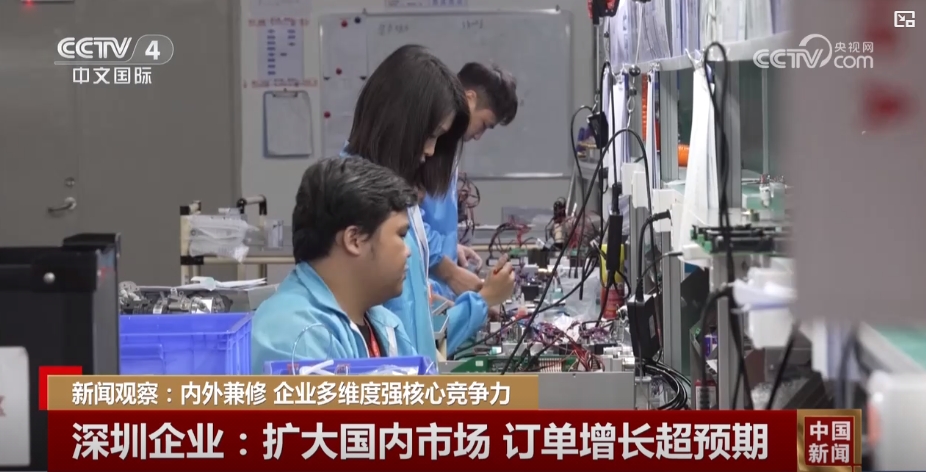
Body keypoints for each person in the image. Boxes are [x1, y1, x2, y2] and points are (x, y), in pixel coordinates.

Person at [341, 44, 515, 362]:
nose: (431, 151)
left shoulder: (392, 193)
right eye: (431, 135)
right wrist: (482, 300)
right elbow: (409, 345)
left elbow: (417, 336)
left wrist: (451, 302)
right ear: (402, 122)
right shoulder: (367, 202)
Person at [250, 157, 419, 373]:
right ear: (354, 240)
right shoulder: (296, 335)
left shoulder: (383, 323)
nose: (408, 251)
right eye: (401, 235)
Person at [421, 62, 519, 300]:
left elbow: (427, 220)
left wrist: (450, 248)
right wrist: (450, 272)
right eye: (484, 124)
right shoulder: (424, 147)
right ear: (469, 98)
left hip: (437, 292)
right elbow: (408, 226)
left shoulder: (446, 148)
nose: (478, 136)